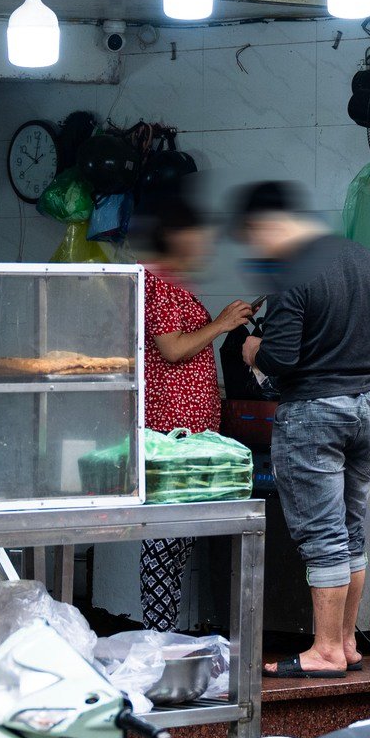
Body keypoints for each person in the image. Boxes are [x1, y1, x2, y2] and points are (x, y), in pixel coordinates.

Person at [232, 181, 370, 679]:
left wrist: (253, 350)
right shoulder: (364, 258)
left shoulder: (291, 271)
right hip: (366, 408)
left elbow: (281, 357)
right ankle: (346, 642)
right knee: (350, 530)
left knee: (323, 534)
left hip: (314, 414)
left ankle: (324, 651)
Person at [135, 197, 252, 631]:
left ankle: (163, 632)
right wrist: (221, 323)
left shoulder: (173, 284)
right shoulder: (158, 283)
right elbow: (172, 349)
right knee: (165, 537)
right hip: (170, 431)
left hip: (188, 430)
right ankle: (158, 633)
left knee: (179, 536)